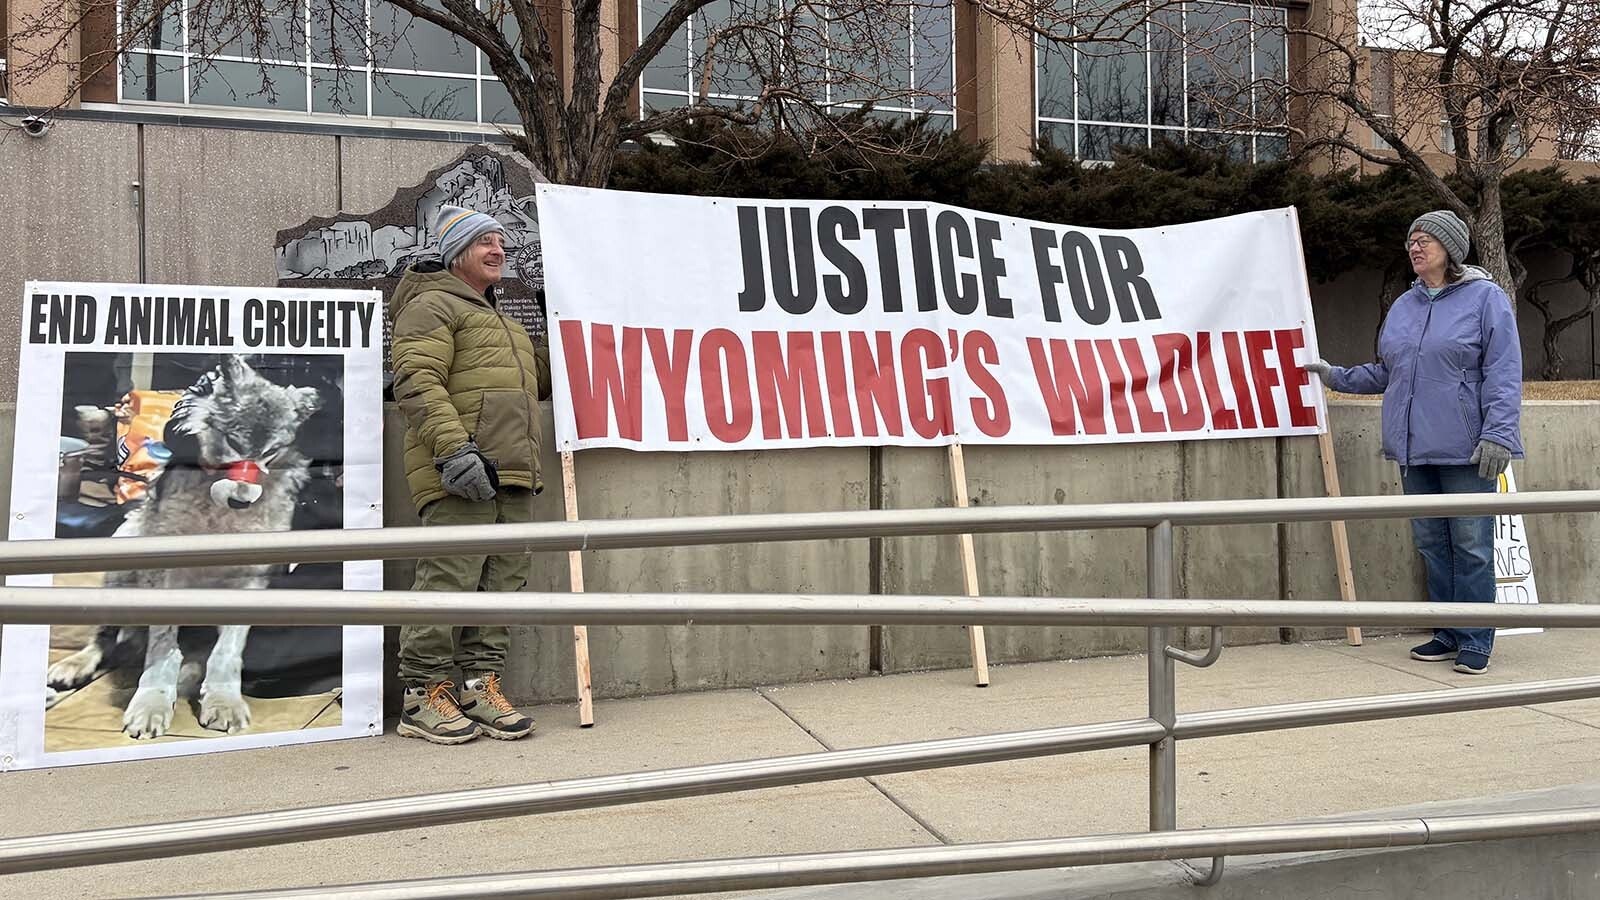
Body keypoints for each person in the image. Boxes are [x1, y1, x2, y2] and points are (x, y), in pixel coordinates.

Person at [1307, 210, 1522, 676]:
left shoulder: (1486, 299)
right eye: (1411, 241)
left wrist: (1498, 434)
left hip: (1467, 448)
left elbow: (1504, 372)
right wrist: (1336, 376)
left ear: (1450, 248)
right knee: (1433, 546)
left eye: (1425, 240)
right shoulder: (1404, 306)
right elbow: (1389, 371)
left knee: (1472, 545)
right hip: (1413, 449)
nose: (1415, 247)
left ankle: (1476, 638)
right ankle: (1446, 630)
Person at [388, 204, 552, 743]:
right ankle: (422, 694)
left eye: (501, 240)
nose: (497, 249)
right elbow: (415, 380)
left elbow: (538, 384)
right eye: (484, 241)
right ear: (457, 253)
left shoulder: (504, 322)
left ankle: (481, 686)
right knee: (449, 579)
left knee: (502, 585)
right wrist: (454, 451)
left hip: (513, 471)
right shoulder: (432, 306)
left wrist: (564, 318)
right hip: (460, 468)